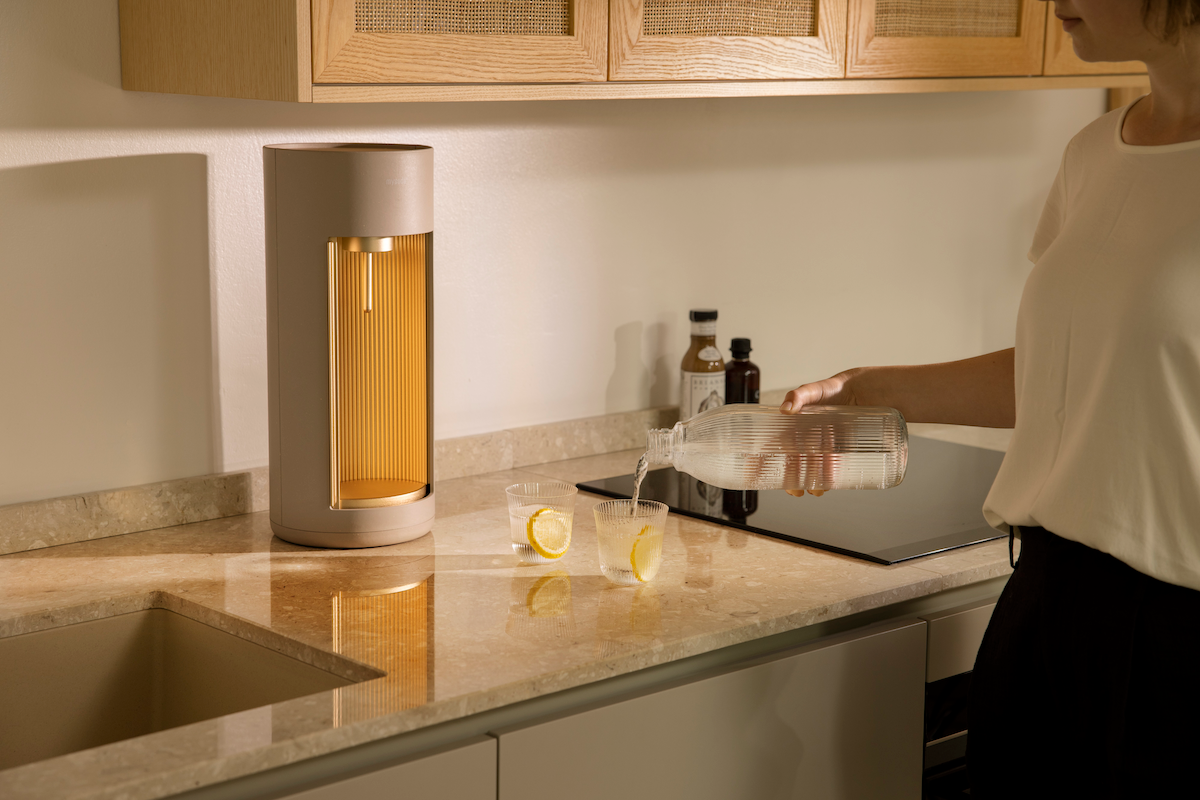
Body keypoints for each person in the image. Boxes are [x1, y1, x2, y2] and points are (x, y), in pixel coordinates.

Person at [779, 1, 1200, 796]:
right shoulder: (1094, 155)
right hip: (1047, 605)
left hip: (1181, 637)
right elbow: (1064, 370)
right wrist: (866, 391)